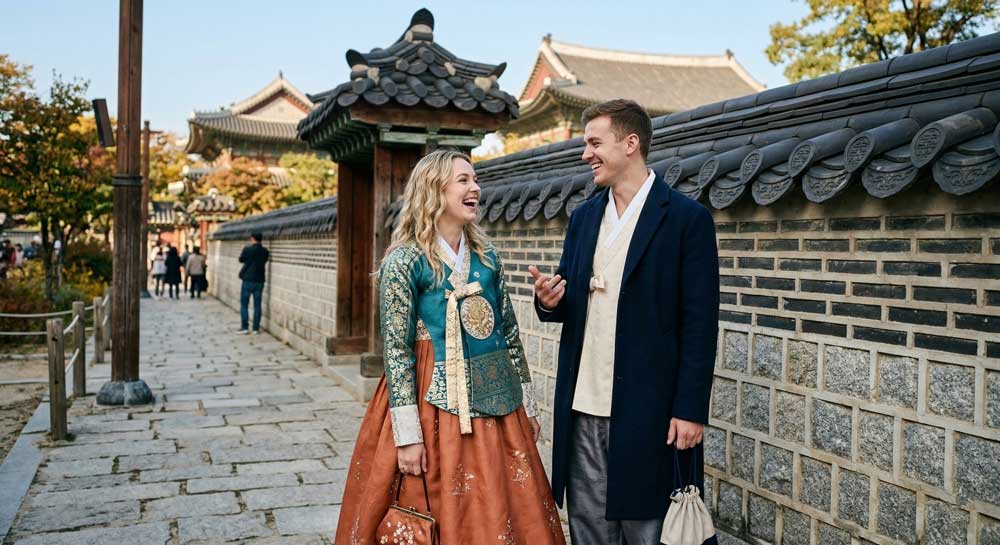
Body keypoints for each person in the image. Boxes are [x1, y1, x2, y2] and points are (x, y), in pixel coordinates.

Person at [334, 150, 565, 545]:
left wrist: (527, 403)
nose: (475, 188)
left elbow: (509, 334)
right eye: (463, 180)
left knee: (506, 499)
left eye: (475, 180)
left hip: (497, 398)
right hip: (430, 401)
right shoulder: (405, 261)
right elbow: (396, 351)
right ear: (434, 189)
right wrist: (407, 436)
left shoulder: (486, 257)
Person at [529, 99, 720, 544]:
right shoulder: (583, 218)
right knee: (588, 526)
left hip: (650, 408)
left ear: (630, 143)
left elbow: (700, 323)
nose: (585, 154)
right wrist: (550, 301)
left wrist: (690, 409)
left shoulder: (687, 220)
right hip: (582, 404)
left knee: (647, 527)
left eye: (595, 143)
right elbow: (570, 299)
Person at [237, 232, 269, 334]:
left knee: (244, 305)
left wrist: (244, 251)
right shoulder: (265, 251)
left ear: (252, 239)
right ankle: (255, 328)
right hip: (259, 280)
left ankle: (245, 327)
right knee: (257, 305)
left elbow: (241, 260)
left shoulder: (247, 249)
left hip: (248, 280)